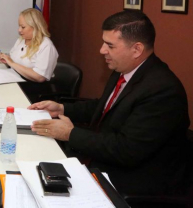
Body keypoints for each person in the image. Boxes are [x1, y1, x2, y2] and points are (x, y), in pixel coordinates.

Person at [29, 11, 189, 196]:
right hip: (102, 156)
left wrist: (69, 134)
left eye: (110, 45)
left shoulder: (162, 90)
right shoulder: (124, 69)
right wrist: (62, 108)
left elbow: (126, 150)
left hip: (134, 179)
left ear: (136, 49)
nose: (102, 50)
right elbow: (104, 108)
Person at [0, 8, 58, 102]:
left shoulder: (46, 46)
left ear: (35, 26)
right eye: (19, 26)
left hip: (34, 92)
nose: (19, 30)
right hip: (16, 83)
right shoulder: (21, 40)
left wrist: (12, 63)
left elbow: (39, 77)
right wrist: (4, 58)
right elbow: (14, 60)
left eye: (23, 27)